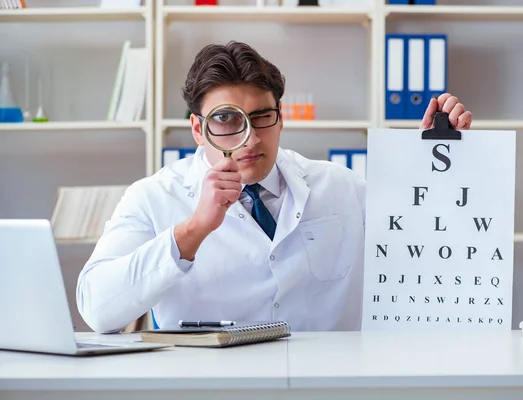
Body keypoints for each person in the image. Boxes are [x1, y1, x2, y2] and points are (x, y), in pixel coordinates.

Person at [76, 41, 473, 334]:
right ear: (198, 129)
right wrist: (192, 231)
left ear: (280, 119)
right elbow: (97, 308)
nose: (248, 139)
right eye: (227, 120)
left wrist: (435, 164)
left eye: (261, 117)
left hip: (330, 388)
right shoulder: (153, 197)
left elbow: (429, 248)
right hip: (209, 388)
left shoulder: (342, 187)